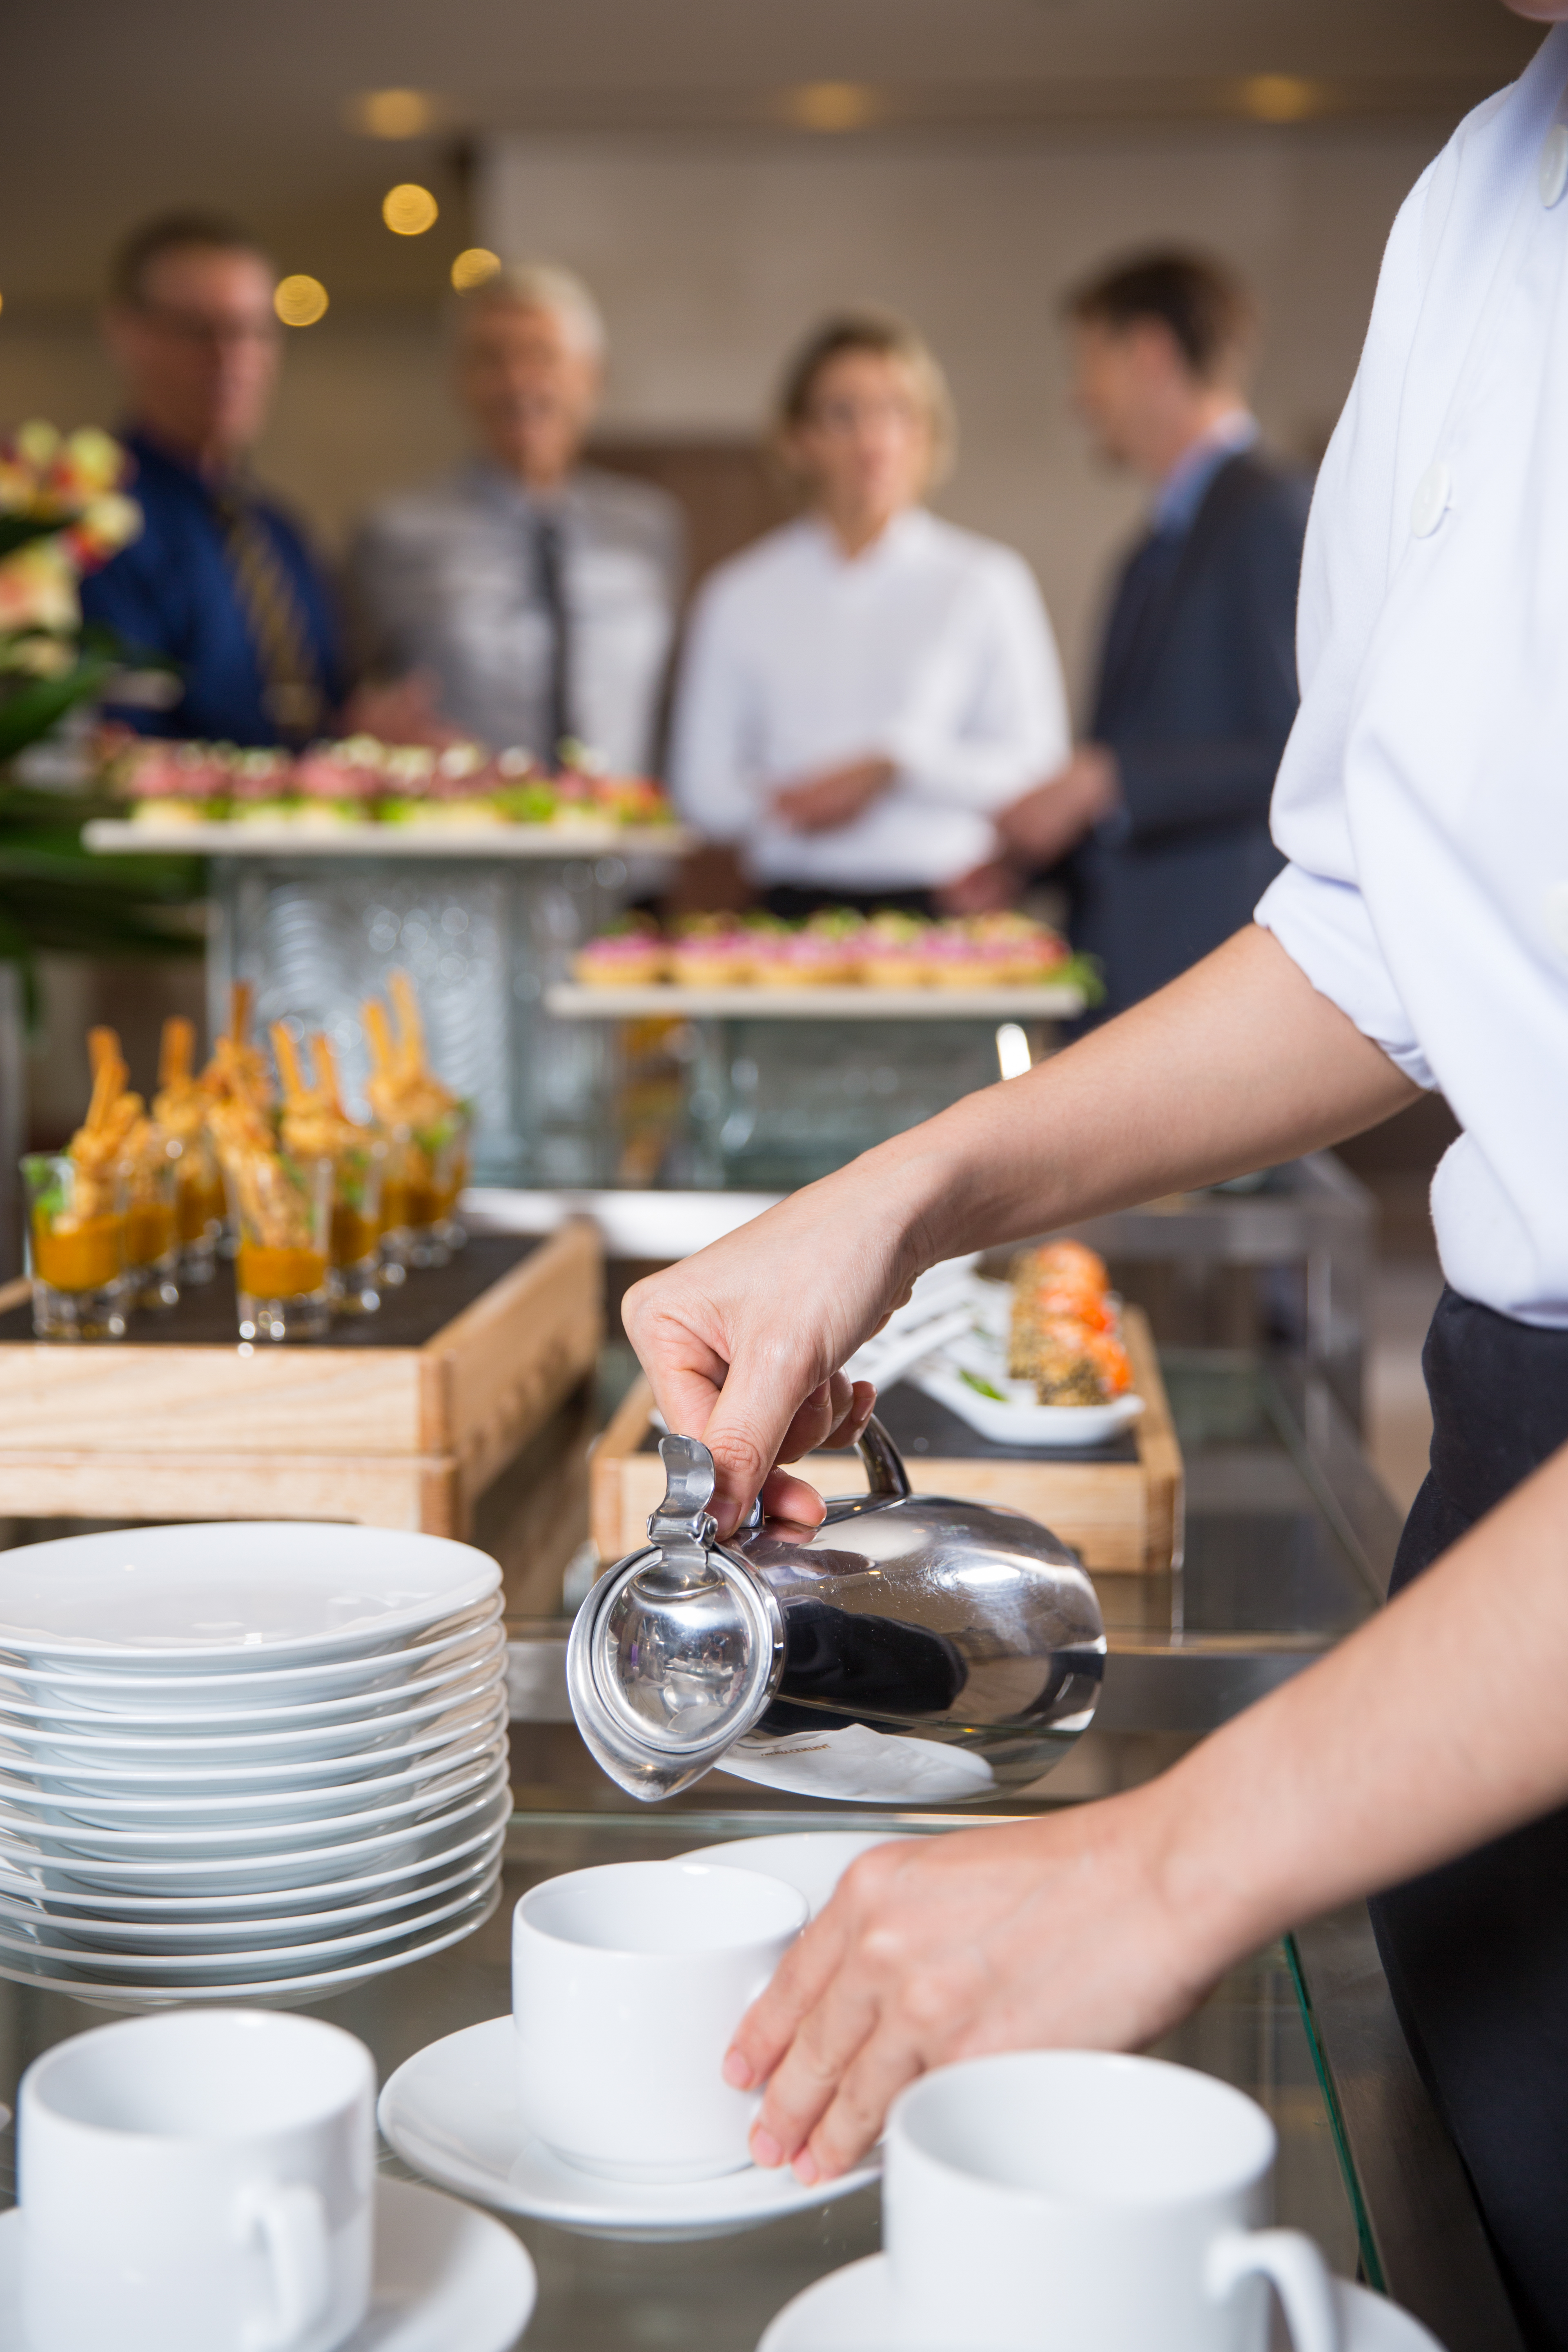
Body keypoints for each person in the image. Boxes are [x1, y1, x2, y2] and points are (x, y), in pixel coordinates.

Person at [623, 13, 1568, 2343]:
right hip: (1499, 1483)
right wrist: (904, 1190)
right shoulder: (1474, 190)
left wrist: (1166, 1856)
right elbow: (1382, 929)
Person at [987, 252, 1310, 1017]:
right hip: (1137, 963)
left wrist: (1108, 780)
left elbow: (1302, 747)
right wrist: (1035, 858)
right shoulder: (1150, 549)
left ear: (1150, 352)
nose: (1079, 397)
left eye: (1088, 364)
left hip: (1213, 967)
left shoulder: (1270, 514)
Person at [667, 313, 1070, 918]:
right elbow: (700, 792)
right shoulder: (739, 594)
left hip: (945, 908)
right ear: (797, 439)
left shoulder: (984, 582)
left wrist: (896, 768)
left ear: (928, 434)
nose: (872, 438)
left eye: (897, 411)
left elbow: (1038, 767)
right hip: (788, 912)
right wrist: (795, 805)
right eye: (842, 414)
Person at [350, 264, 682, 773]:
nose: (519, 382)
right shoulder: (394, 534)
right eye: (492, 360)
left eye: (542, 357)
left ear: (593, 377)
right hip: (470, 835)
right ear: (459, 380)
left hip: (624, 839)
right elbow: (355, 701)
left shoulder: (649, 529)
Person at [82, 210, 346, 747]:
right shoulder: (89, 522)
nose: (234, 358)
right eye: (199, 331)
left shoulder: (280, 532)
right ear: (128, 336)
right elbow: (125, 730)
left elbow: (321, 702)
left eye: (255, 331)